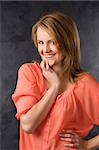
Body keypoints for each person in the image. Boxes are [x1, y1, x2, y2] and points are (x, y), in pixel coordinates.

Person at [12, 11, 99, 150]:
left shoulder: (84, 84)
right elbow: (28, 125)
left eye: (52, 42)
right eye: (41, 42)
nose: (45, 49)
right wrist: (55, 87)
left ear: (67, 43)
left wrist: (87, 144)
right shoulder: (29, 73)